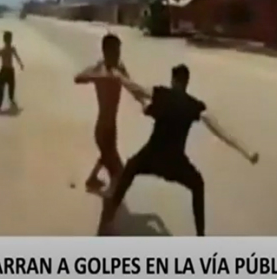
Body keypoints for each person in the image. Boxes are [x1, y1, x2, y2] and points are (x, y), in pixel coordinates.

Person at [99, 64, 259, 236]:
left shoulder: (162, 93)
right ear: (186, 82)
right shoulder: (194, 106)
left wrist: (119, 75)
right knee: (198, 185)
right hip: (174, 164)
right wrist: (247, 152)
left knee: (130, 168)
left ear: (173, 80)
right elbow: (222, 133)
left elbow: (136, 88)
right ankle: (200, 235)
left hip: (151, 157)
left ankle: (109, 218)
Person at [74, 34, 139, 195]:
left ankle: (92, 180)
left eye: (119, 51)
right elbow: (78, 78)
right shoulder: (99, 68)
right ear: (105, 52)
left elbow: (130, 85)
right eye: (115, 52)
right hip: (102, 129)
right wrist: (100, 76)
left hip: (112, 126)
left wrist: (143, 101)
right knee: (118, 169)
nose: (118, 55)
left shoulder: (120, 68)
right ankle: (110, 200)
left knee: (107, 155)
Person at [0, 31, 24, 113]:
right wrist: (21, 64)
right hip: (9, 71)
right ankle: (9, 101)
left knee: (2, 89)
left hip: (4, 71)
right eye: (10, 39)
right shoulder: (11, 49)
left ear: (4, 40)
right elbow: (17, 57)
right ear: (11, 40)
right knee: (10, 89)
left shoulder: (2, 50)